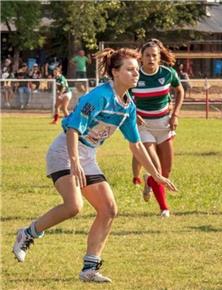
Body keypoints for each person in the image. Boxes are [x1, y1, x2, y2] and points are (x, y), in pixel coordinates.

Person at [12, 47, 177, 283]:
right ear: (115, 73)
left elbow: (136, 145)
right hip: (64, 153)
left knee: (109, 209)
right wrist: (74, 162)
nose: (136, 74)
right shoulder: (99, 96)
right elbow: (73, 128)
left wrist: (157, 175)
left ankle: (90, 268)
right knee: (73, 206)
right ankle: (27, 234)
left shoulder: (128, 106)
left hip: (86, 156)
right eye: (130, 70)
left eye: (137, 70)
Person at [130, 38, 184, 218]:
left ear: (159, 57)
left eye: (154, 55)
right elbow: (122, 95)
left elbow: (180, 90)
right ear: (141, 58)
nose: (151, 59)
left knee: (167, 170)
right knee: (157, 168)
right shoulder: (135, 75)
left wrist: (175, 114)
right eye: (147, 55)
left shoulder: (168, 73)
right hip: (143, 127)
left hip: (164, 125)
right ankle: (164, 208)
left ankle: (149, 180)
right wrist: (133, 113)